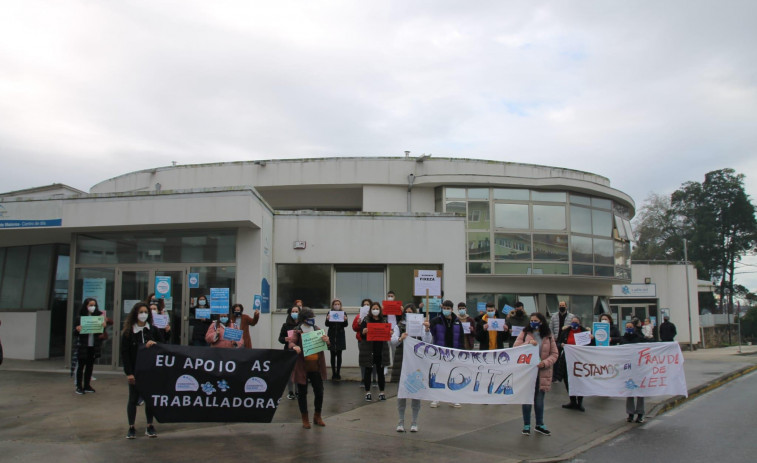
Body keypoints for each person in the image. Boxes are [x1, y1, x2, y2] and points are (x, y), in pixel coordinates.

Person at [514, 312, 559, 436]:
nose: (533, 322)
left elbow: (555, 354)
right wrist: (527, 344)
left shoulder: (548, 335)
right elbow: (515, 348)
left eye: (535, 320)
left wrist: (545, 363)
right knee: (527, 399)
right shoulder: (524, 333)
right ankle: (526, 425)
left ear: (541, 322)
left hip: (542, 372)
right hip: (528, 372)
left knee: (539, 400)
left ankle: (539, 424)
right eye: (531, 320)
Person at [391, 303, 433, 432]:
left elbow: (428, 341)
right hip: (402, 361)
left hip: (416, 362)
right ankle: (401, 421)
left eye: (411, 312)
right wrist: (400, 338)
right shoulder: (399, 326)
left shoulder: (420, 325)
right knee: (401, 393)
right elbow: (392, 341)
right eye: (407, 312)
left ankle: (414, 422)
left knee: (416, 391)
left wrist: (426, 330)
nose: (409, 314)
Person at [121, 302, 159, 439]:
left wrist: (154, 344)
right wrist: (129, 373)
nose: (143, 315)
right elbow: (125, 354)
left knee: (149, 399)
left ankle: (150, 425)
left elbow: (162, 346)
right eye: (141, 312)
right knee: (133, 399)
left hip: (150, 370)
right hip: (135, 370)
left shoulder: (153, 330)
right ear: (135, 314)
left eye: (146, 312)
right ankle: (131, 426)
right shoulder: (128, 332)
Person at [288, 308, 330, 428]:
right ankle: (305, 418)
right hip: (303, 367)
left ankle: (317, 415)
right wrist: (294, 347)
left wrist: (327, 340)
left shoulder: (317, 329)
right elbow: (291, 342)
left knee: (319, 391)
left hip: (316, 366)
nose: (311, 320)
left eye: (312, 317)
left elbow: (327, 343)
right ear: (303, 319)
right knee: (302, 393)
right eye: (309, 318)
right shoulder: (297, 330)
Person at [424, 300, 465, 408]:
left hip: (453, 353)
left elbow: (461, 337)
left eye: (448, 308)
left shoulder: (457, 321)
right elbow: (428, 336)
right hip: (440, 352)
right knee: (438, 375)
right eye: (445, 308)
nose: (446, 310)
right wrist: (427, 328)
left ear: (452, 309)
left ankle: (453, 398)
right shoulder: (436, 320)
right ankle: (436, 398)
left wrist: (462, 351)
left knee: (453, 376)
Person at [557, 316, 593, 412]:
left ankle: (580, 402)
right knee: (568, 380)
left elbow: (591, 345)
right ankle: (572, 400)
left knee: (580, 380)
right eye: (572, 322)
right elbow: (558, 342)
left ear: (579, 323)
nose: (574, 324)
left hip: (580, 360)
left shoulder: (585, 332)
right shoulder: (566, 331)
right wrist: (561, 345)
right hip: (567, 359)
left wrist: (591, 339)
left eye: (576, 322)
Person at [74, 298, 109, 394]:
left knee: (90, 366)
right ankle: (78, 386)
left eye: (94, 305)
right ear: (86, 306)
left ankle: (87, 385)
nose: (92, 307)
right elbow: (75, 333)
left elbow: (101, 333)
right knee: (81, 366)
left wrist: (104, 326)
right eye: (90, 305)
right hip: (83, 346)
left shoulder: (98, 317)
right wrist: (77, 329)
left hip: (93, 346)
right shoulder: (80, 318)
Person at [360, 302, 391, 401]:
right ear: (370, 310)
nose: (375, 310)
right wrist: (363, 331)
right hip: (369, 349)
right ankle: (367, 392)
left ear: (380, 310)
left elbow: (388, 334)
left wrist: (390, 332)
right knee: (368, 371)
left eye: (377, 308)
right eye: (374, 308)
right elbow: (362, 334)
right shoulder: (366, 320)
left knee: (380, 372)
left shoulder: (384, 320)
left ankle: (382, 392)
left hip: (381, 349)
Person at [621, 321, 647, 423]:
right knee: (630, 390)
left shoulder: (639, 337)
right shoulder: (624, 338)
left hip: (639, 367)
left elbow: (648, 342)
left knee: (640, 391)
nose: (629, 328)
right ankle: (630, 413)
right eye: (627, 327)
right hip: (629, 368)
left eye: (630, 327)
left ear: (634, 328)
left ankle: (640, 413)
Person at [353, 298, 377, 390]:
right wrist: (359, 324)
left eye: (368, 304)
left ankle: (374, 379)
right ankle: (363, 378)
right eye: (364, 304)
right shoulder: (359, 316)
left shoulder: (376, 316)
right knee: (364, 360)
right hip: (362, 340)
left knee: (374, 360)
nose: (366, 306)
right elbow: (354, 328)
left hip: (374, 340)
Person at [278, 305, 301, 400]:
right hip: (289, 351)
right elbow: (280, 338)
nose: (295, 313)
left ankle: (298, 391)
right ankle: (290, 391)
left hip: (300, 351)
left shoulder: (302, 324)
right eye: (293, 311)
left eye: (296, 311)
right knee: (290, 372)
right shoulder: (286, 325)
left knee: (299, 371)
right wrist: (285, 339)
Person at [325, 298, 348, 380]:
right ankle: (333, 372)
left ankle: (338, 372)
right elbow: (327, 324)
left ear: (340, 305)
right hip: (331, 335)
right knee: (332, 355)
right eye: (335, 304)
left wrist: (345, 320)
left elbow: (345, 325)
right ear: (333, 305)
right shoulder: (330, 313)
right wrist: (327, 319)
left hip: (340, 335)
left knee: (339, 354)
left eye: (338, 304)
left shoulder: (343, 313)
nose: (337, 306)